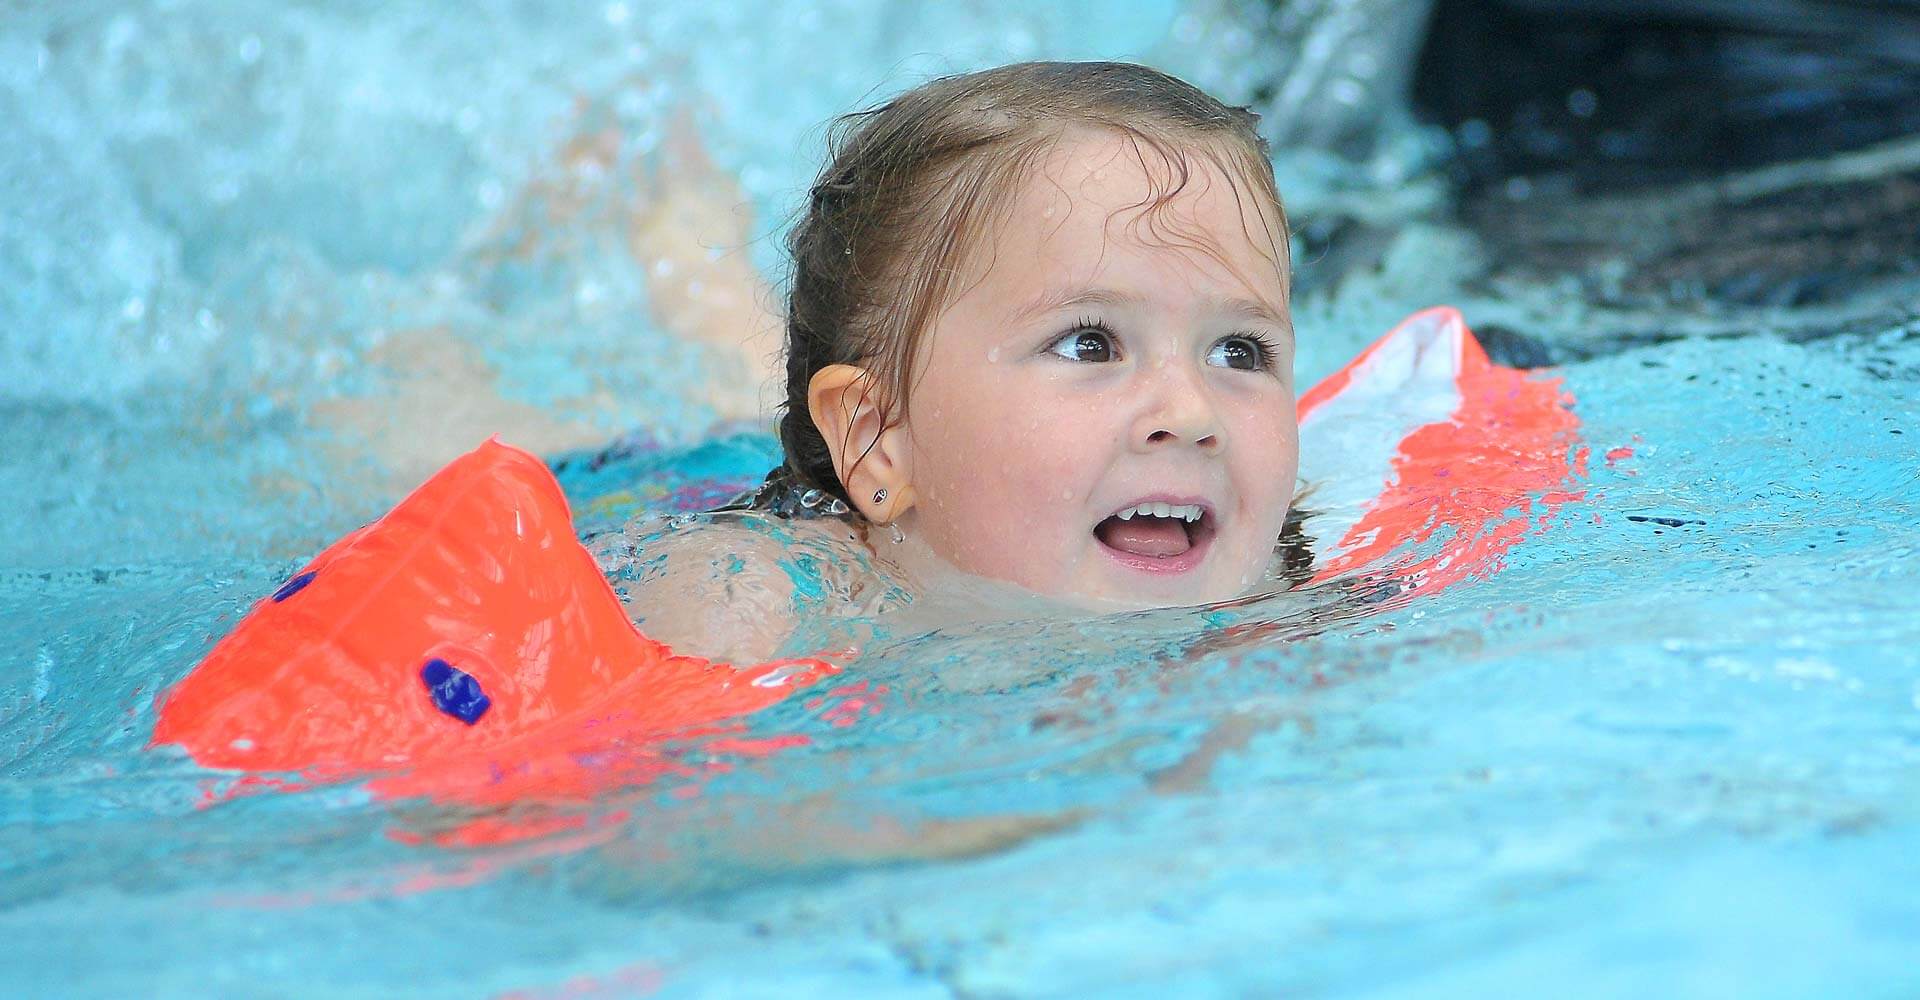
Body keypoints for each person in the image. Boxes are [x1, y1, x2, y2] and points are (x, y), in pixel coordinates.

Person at [598, 61, 1304, 665]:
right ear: (879, 441)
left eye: (1238, 351)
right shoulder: (744, 604)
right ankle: (679, 231)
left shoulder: (1289, 572)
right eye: (1091, 344)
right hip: (643, 476)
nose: (1190, 413)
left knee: (740, 379)